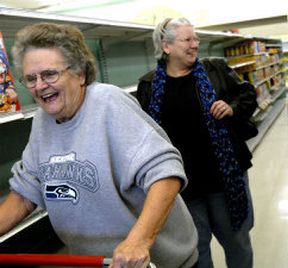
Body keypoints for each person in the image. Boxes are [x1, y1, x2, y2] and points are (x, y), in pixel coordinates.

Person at [0, 22, 199, 268]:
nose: (40, 86)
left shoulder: (108, 103)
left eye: (50, 74)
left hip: (156, 262)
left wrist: (138, 242)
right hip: (99, 262)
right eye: (31, 78)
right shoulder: (43, 120)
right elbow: (25, 193)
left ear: (80, 73)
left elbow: (166, 174)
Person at [136, 17, 256, 268]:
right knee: (195, 249)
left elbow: (247, 94)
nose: (195, 45)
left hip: (224, 178)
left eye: (196, 39)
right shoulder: (149, 85)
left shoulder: (215, 70)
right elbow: (144, 132)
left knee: (237, 242)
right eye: (188, 39)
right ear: (166, 46)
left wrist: (232, 107)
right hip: (183, 185)